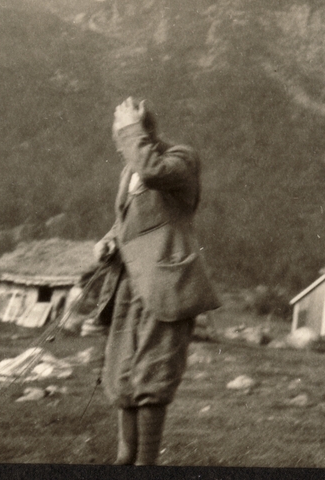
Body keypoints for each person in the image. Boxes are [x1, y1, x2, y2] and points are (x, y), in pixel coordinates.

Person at [91, 97, 220, 466]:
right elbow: (131, 223)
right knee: (122, 375)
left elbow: (152, 173)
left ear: (143, 130)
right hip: (128, 285)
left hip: (167, 284)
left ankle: (146, 463)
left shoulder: (181, 159)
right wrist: (109, 241)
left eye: (123, 134)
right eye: (119, 135)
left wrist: (132, 130)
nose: (119, 143)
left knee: (153, 377)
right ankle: (124, 458)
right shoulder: (130, 169)